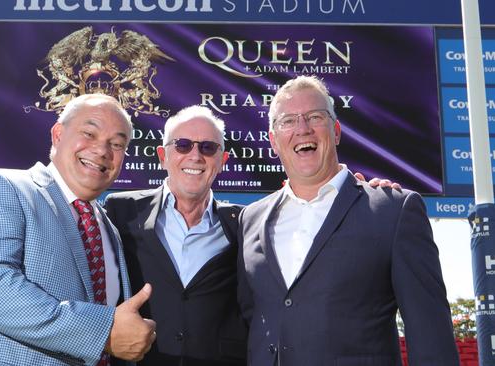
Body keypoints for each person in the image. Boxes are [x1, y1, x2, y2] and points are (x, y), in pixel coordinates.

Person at [237, 75, 459, 366]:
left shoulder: (393, 211)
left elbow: (431, 337)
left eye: (315, 116)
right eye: (288, 121)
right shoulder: (249, 219)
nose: (302, 129)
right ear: (273, 141)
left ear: (336, 131)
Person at [0, 94, 156, 366]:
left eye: (116, 144)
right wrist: (102, 334)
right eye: (89, 133)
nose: (102, 151)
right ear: (57, 134)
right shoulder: (0, 186)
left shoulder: (108, 229)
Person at [103, 106, 248, 366]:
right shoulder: (120, 210)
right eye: (182, 145)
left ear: (223, 159)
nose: (195, 156)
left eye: (207, 147)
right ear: (163, 155)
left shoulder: (244, 223)